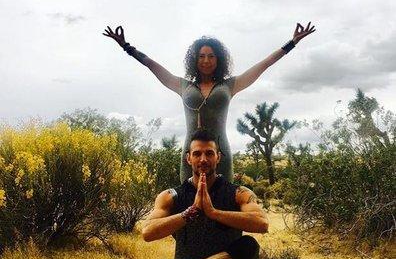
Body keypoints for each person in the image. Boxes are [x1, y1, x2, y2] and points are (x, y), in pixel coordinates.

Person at [103, 22, 315, 182]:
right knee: (190, 208)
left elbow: (265, 64)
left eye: (211, 56)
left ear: (218, 59)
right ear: (195, 59)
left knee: (223, 206)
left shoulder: (230, 85)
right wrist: (126, 46)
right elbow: (150, 64)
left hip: (220, 154)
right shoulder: (182, 86)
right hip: (191, 155)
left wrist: (291, 43)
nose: (206, 60)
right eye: (202, 55)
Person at [130, 129, 269, 259]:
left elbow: (262, 224)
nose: (203, 159)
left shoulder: (238, 192)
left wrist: (213, 213)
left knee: (248, 245)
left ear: (218, 157)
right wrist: (190, 212)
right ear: (188, 158)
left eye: (209, 153)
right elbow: (148, 232)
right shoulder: (171, 196)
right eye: (197, 154)